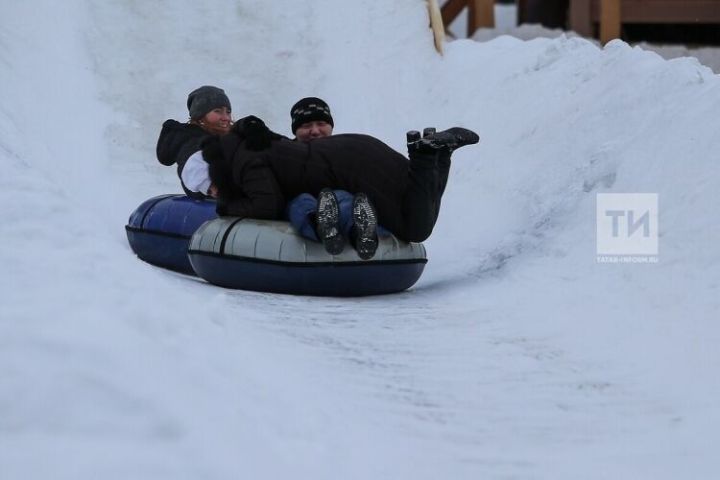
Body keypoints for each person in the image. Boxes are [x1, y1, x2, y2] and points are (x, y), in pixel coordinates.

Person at [202, 114, 479, 250]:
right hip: (358, 147)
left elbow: (267, 204)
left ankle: (428, 156)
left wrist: (227, 207)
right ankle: (435, 155)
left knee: (415, 229)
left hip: (350, 167)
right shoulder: (250, 144)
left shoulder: (245, 163)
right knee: (415, 196)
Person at [285, 97, 390, 259]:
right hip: (302, 203)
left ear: (330, 126)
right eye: (306, 126)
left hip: (338, 203)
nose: (314, 131)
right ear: (295, 130)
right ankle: (324, 229)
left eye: (321, 124)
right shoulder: (285, 154)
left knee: (343, 197)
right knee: (301, 202)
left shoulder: (343, 153)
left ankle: (361, 235)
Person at [156, 85, 233, 198]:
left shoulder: (230, 141)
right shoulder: (193, 142)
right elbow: (195, 169)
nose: (226, 117)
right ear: (200, 116)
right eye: (218, 111)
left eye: (228, 112)